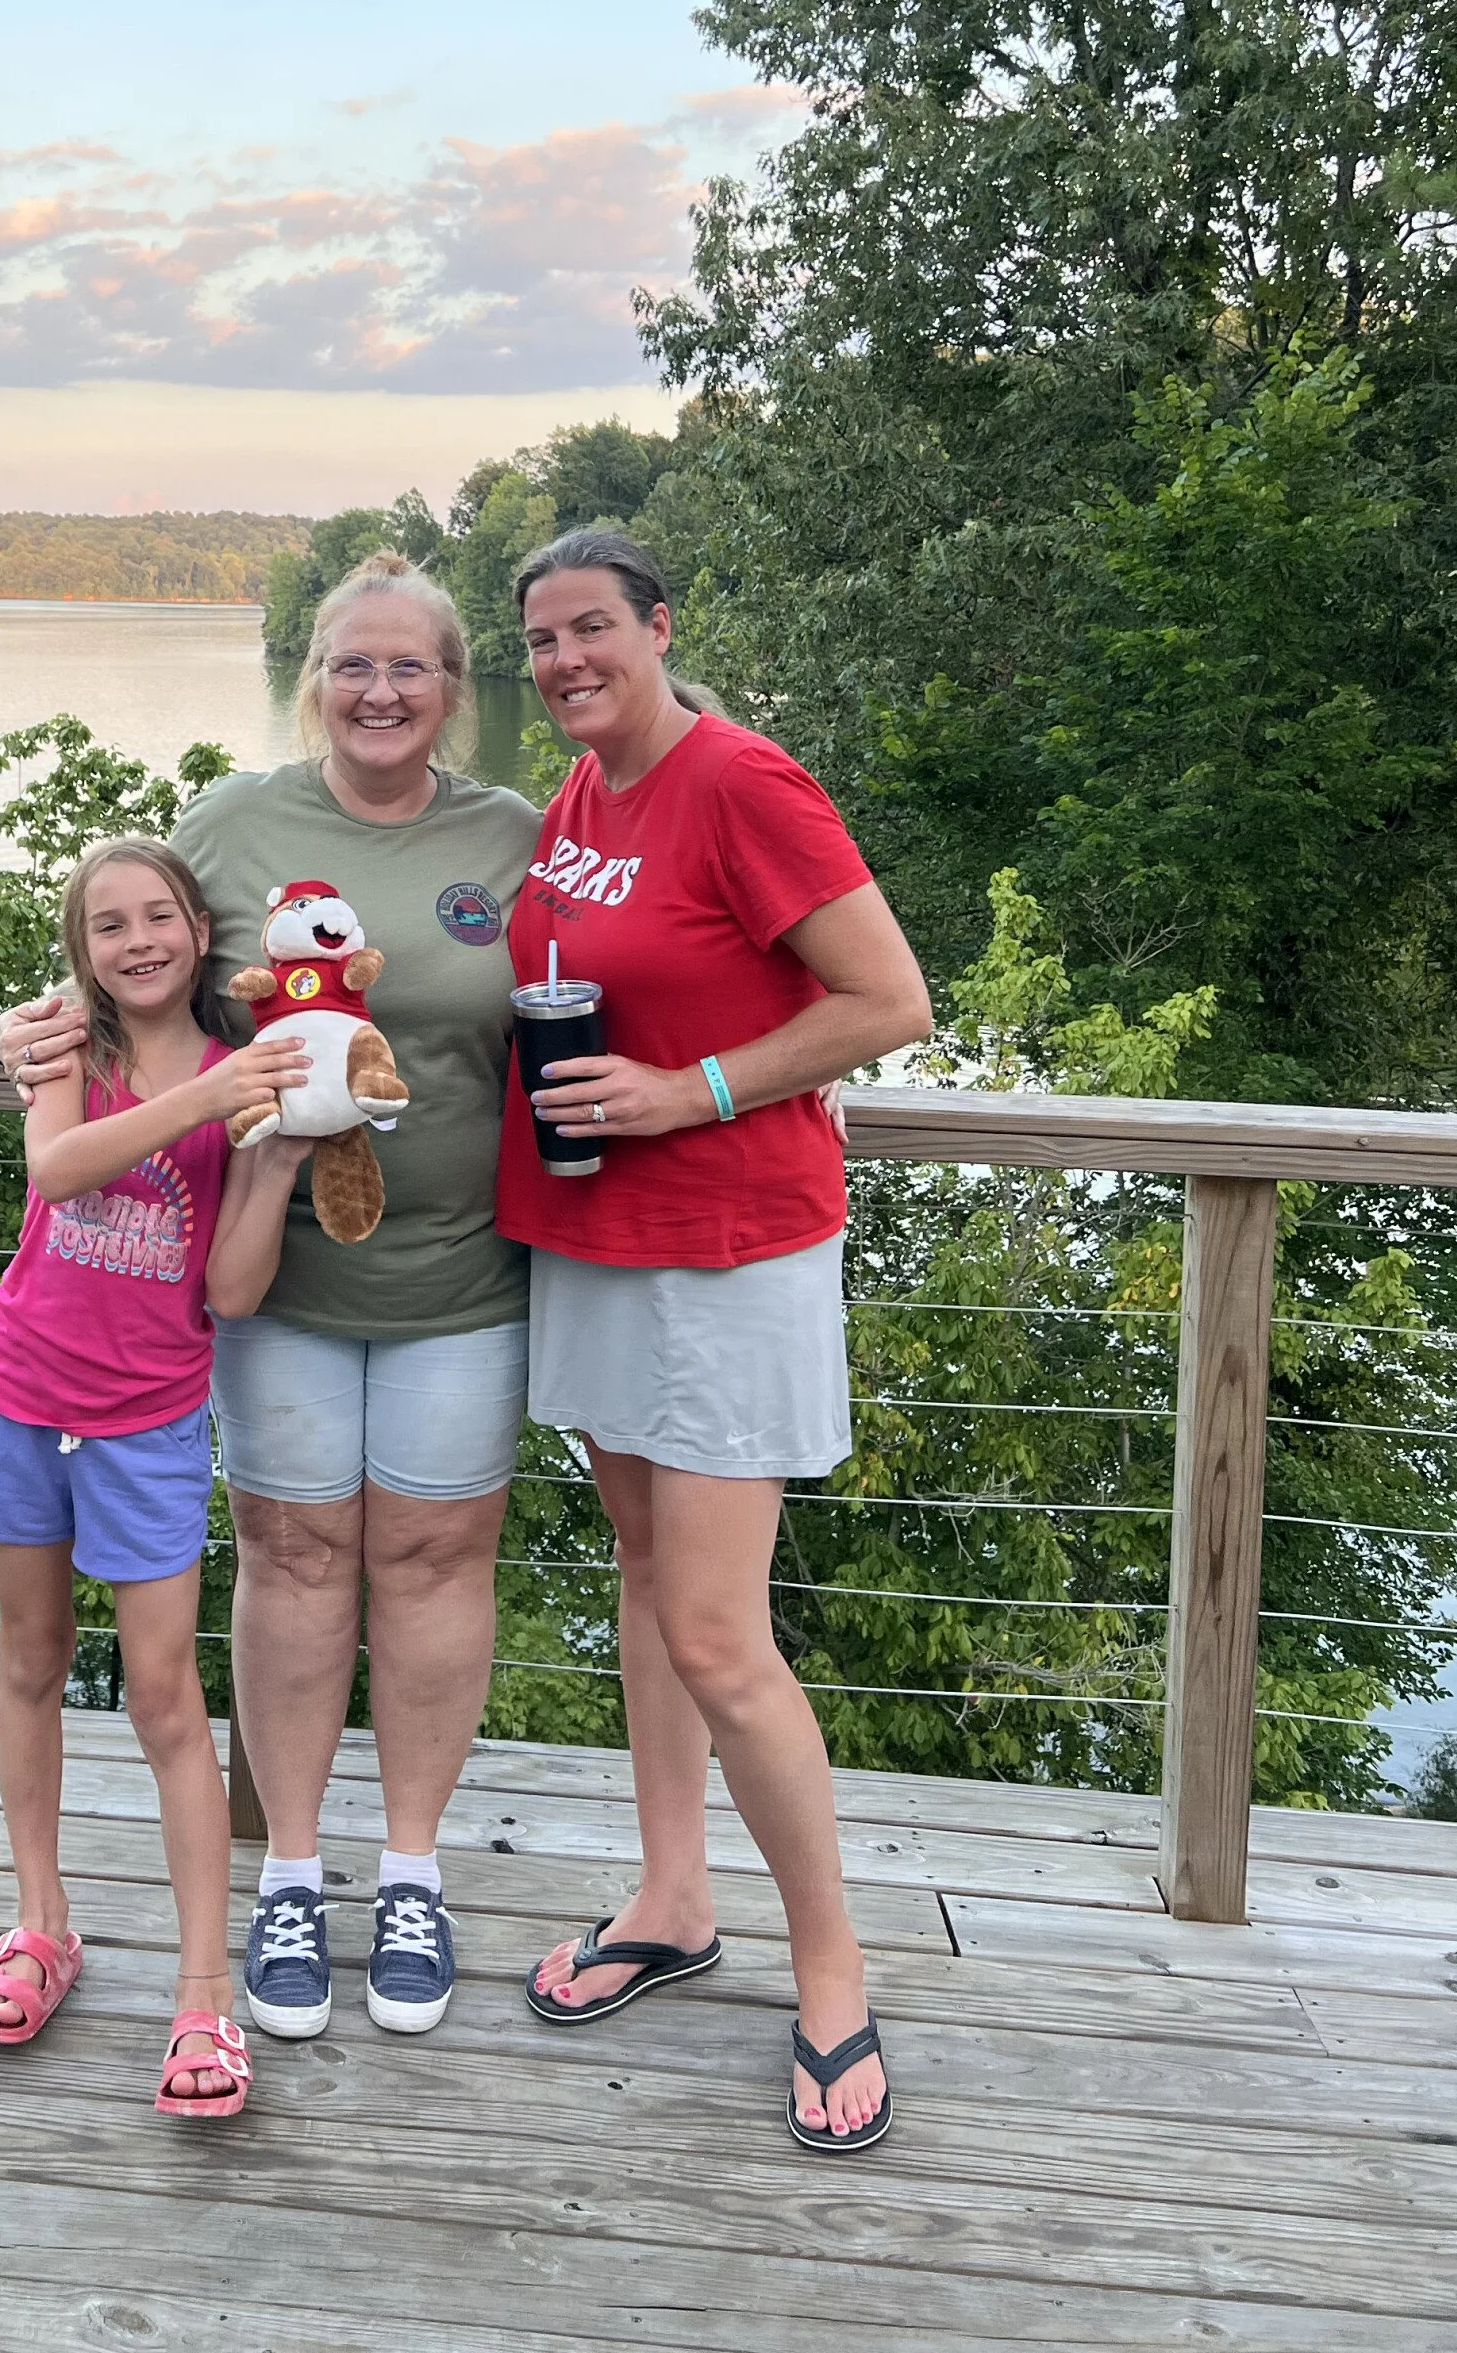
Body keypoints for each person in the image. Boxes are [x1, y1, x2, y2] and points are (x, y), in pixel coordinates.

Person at [0, 555, 540, 2042]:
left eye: (410, 668)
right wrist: (23, 1033)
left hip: (463, 1273)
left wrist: (769, 1091)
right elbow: (124, 973)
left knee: (432, 1560)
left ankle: (412, 1872)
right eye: (352, 666)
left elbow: (614, 988)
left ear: (452, 686)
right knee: (295, 1558)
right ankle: (289, 1872)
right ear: (315, 679)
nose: (380, 692)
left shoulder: (517, 835)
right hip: (265, 1278)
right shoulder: (231, 825)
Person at [501, 528, 931, 2157]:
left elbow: (889, 1000)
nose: (562, 661)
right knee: (643, 1580)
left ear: (658, 626)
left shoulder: (741, 780)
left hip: (729, 1252)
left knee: (717, 1634)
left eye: (592, 628)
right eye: (540, 638)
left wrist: (692, 1092)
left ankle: (833, 1968)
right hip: (602, 1241)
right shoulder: (581, 801)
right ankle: (673, 1900)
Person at [0, 834, 311, 2119]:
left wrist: (268, 1162)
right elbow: (55, 1167)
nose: (139, 939)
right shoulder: (64, 1050)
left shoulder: (241, 1072)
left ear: (201, 931)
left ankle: (205, 1991)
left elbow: (230, 1291)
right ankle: (42, 1922)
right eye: (109, 923)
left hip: (147, 1428)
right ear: (79, 948)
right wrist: (215, 1105)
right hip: (18, 1399)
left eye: (161, 915)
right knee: (28, 1661)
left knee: (165, 1700)